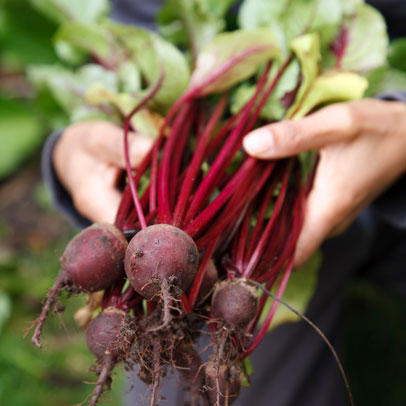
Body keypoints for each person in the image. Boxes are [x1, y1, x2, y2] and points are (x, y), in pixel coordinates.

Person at [42, 1, 406, 404]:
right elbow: (135, 27)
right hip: (201, 251)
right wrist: (69, 147)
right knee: (182, 371)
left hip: (350, 165)